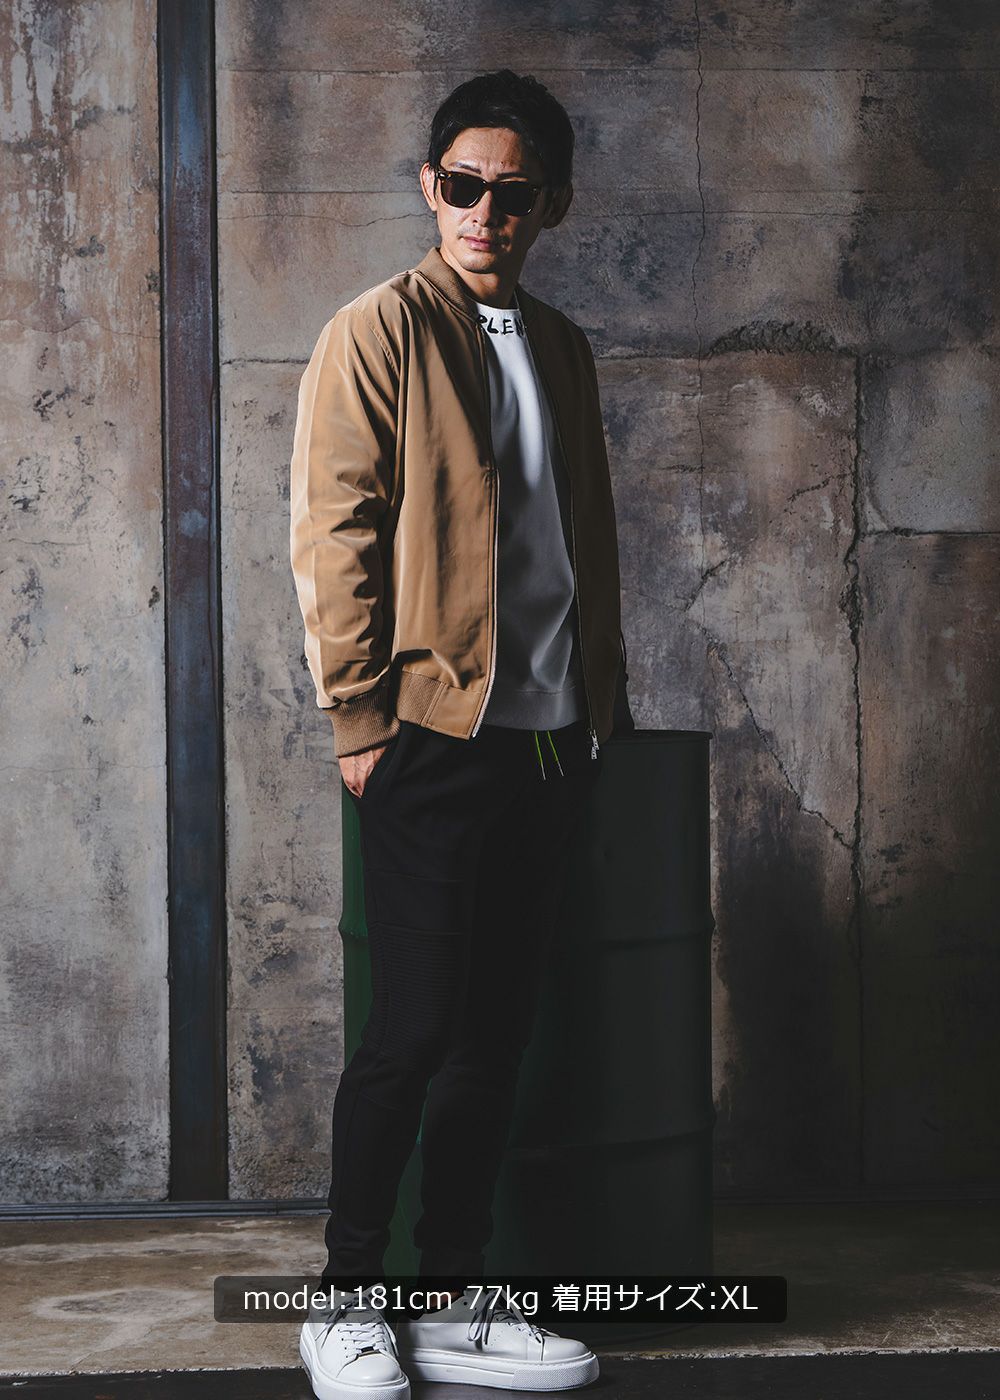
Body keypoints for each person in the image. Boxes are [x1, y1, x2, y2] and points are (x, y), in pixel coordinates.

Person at [290, 68, 634, 1399]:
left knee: (495, 1036)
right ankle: (343, 1302)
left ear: (551, 203)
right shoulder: (378, 331)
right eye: (462, 184)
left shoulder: (561, 344)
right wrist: (360, 716)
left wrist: (600, 708)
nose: (485, 209)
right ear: (431, 187)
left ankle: (447, 1301)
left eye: (512, 191)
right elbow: (335, 532)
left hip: (550, 738)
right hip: (429, 733)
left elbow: (582, 539)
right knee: (414, 1029)